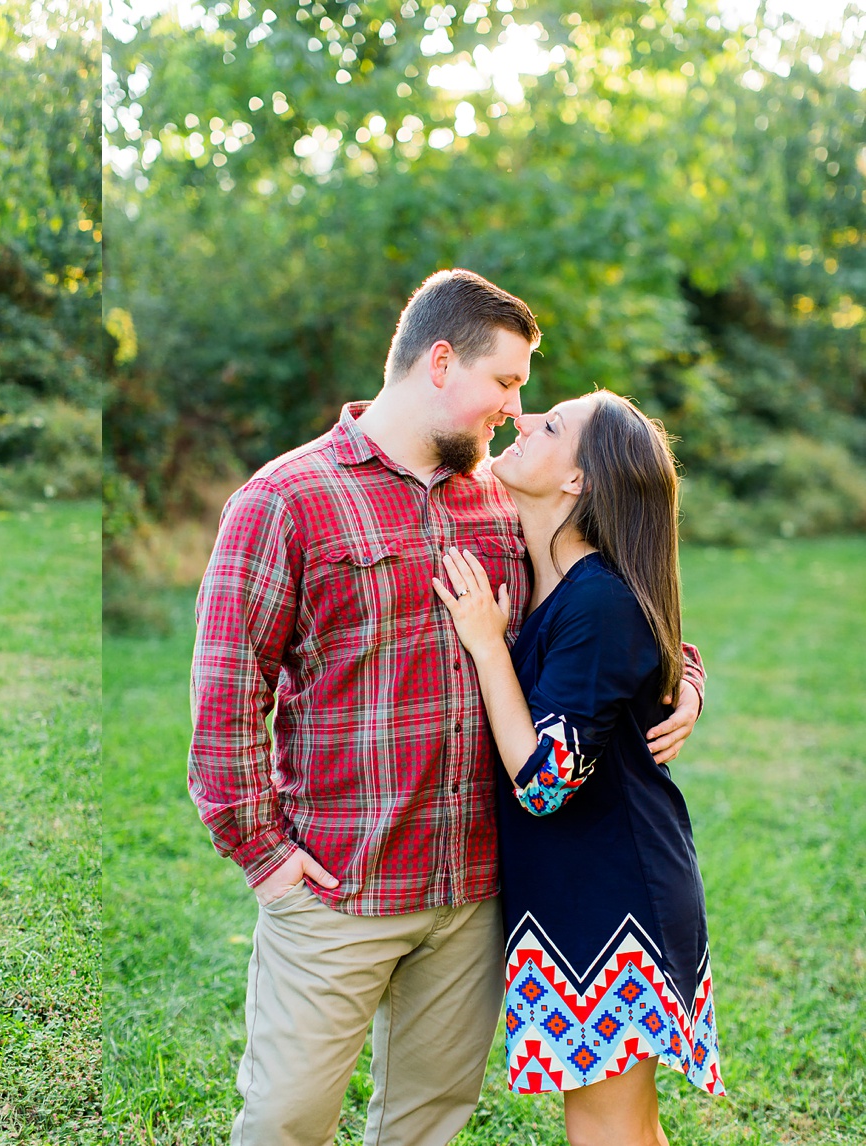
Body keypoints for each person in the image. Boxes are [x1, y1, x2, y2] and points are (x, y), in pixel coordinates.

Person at [187, 269, 706, 1146]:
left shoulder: (508, 496)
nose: (514, 409)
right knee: (283, 1120)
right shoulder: (284, 501)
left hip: (475, 888)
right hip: (340, 882)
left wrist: (683, 678)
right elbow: (228, 693)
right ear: (439, 361)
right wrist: (263, 854)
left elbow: (614, 597)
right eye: (505, 383)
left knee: (428, 1125)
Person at [432, 391, 723, 1146]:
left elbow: (546, 782)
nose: (524, 423)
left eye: (551, 425)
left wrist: (488, 646)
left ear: (578, 482)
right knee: (617, 1130)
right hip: (576, 892)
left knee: (609, 1133)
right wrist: (687, 677)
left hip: (615, 901)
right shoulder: (552, 581)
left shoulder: (596, 600)